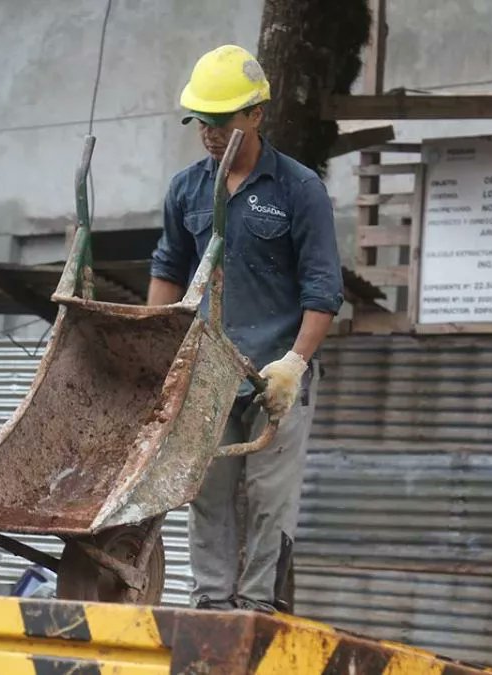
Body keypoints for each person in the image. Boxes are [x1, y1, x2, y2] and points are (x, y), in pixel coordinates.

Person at [147, 44, 344, 613]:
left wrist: (295, 364)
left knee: (268, 497)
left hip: (274, 371)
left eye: (222, 120)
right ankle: (210, 604)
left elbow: (322, 289)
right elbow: (167, 267)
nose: (210, 133)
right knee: (206, 494)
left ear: (256, 114)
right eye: (201, 122)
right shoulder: (187, 190)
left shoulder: (298, 189)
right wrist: (156, 350)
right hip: (207, 368)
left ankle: (259, 607)